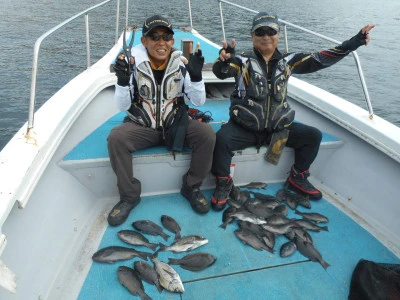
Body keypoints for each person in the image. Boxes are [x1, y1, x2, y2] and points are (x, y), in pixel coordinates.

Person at [210, 11, 375, 211]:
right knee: (222, 139)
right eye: (260, 32)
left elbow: (322, 58)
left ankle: (298, 176)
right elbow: (221, 72)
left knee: (312, 136)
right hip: (245, 128)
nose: (266, 36)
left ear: (278, 33)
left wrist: (354, 42)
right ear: (252, 36)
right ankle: (223, 181)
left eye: (271, 31)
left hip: (278, 130)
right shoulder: (241, 61)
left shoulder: (290, 61)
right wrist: (224, 60)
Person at [107, 15, 216, 226]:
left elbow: (198, 101)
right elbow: (122, 105)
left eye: (166, 37)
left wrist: (196, 76)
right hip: (143, 126)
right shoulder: (134, 66)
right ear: (144, 41)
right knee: (116, 138)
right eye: (154, 37)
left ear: (172, 41)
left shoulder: (182, 65)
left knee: (207, 135)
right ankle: (129, 196)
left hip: (175, 124)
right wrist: (122, 81)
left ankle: (191, 187)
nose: (161, 42)